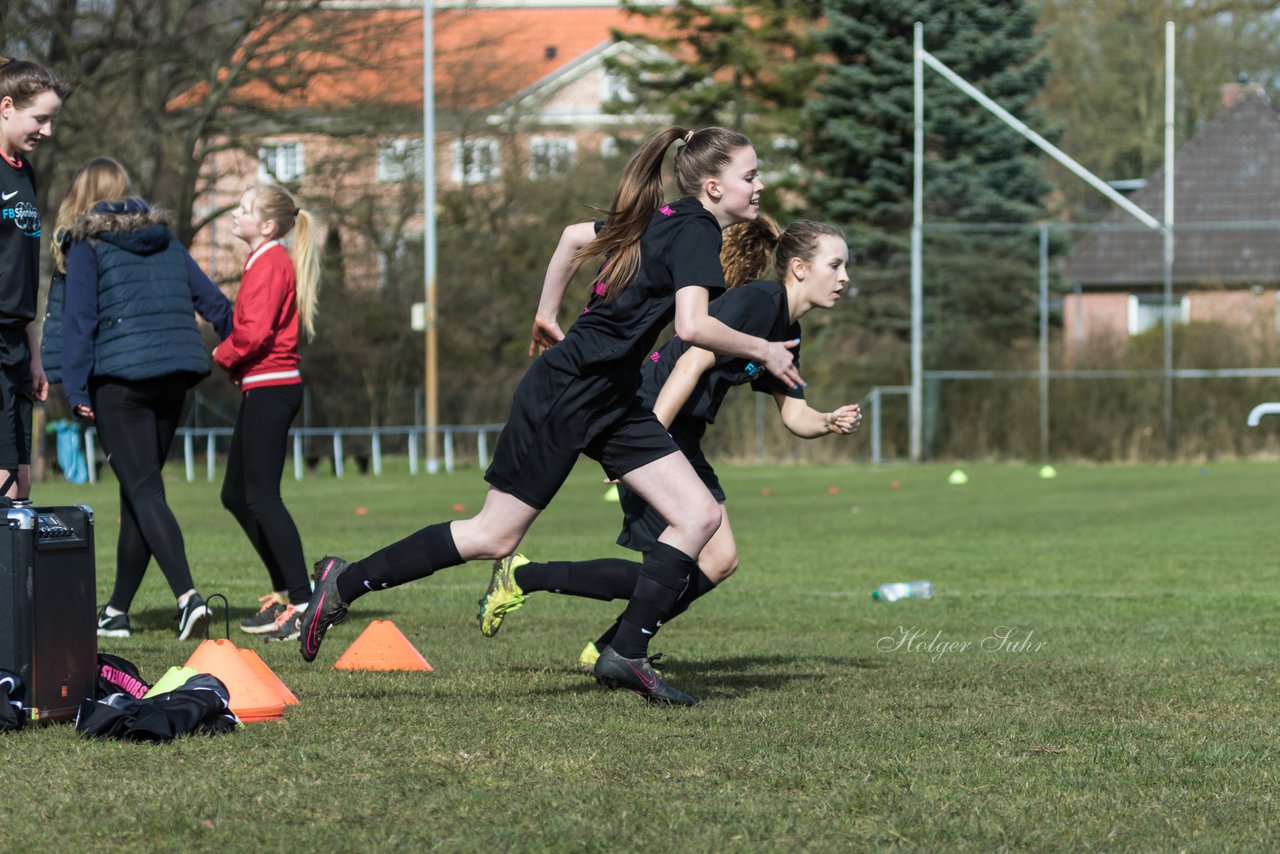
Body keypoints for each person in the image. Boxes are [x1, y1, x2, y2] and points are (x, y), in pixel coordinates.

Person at [299, 125, 805, 706]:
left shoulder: (661, 216)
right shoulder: (692, 228)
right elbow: (692, 327)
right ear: (714, 186)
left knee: (697, 516)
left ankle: (625, 654)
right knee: (494, 535)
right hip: (569, 391)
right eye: (751, 175)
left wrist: (545, 314)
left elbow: (569, 239)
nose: (760, 184)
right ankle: (342, 583)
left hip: (612, 396)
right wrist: (763, 348)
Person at [477, 221, 861, 668]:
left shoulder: (786, 328)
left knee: (714, 562)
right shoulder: (759, 302)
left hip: (680, 436)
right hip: (648, 420)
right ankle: (538, 587)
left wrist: (828, 421)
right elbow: (691, 363)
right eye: (835, 265)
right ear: (798, 268)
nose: (844, 277)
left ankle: (608, 644)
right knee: (672, 571)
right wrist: (648, 443)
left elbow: (795, 414)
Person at [51, 157, 233, 640]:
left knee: (145, 489)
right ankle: (116, 612)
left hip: (122, 382)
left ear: (83, 195)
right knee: (139, 490)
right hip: (175, 376)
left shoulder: (87, 244)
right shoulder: (165, 239)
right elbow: (211, 300)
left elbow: (79, 322)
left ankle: (187, 598)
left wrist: (73, 386)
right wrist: (241, 348)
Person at [214, 184, 319, 641]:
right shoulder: (262, 260)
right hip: (262, 388)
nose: (235, 215)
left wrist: (220, 353)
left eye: (244, 210)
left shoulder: (271, 261)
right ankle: (286, 592)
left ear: (268, 225)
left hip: (273, 388)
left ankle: (303, 601)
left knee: (261, 497)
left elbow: (254, 334)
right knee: (236, 495)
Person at [0, 58, 65, 503]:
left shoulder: (26, 171)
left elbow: (22, 273)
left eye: (52, 119)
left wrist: (35, 354)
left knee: (21, 486)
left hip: (18, 346)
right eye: (39, 118)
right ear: (6, 106)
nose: (47, 130)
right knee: (3, 484)